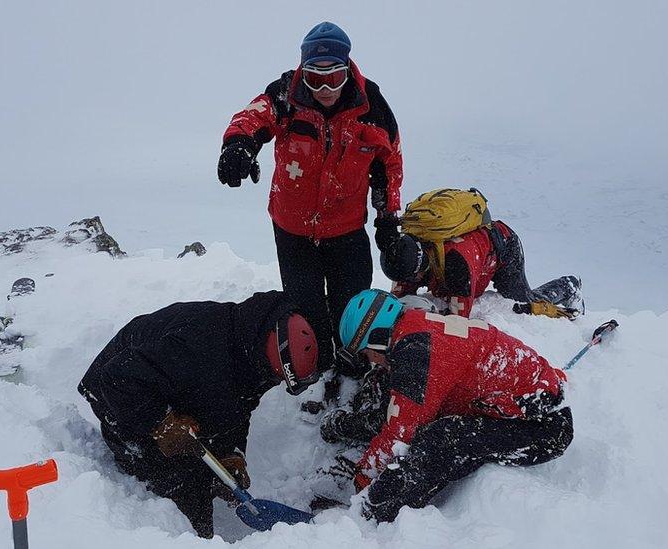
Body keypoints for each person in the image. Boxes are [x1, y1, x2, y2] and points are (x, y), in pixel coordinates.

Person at [218, 21, 403, 371]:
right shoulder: (287, 94)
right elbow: (252, 117)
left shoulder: (372, 107)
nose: (324, 89)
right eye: (314, 79)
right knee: (306, 310)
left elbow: (389, 165)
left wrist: (388, 221)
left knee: (351, 310)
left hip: (347, 230)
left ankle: (353, 369)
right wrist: (238, 145)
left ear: (347, 70)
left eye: (333, 78)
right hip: (293, 231)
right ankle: (314, 373)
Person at [77, 291, 318, 538]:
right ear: (272, 357)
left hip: (164, 380)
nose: (276, 382)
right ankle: (184, 536)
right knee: (179, 477)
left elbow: (237, 406)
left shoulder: (253, 352)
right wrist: (161, 424)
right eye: (278, 377)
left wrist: (230, 453)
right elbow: (116, 377)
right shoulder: (199, 347)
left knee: (200, 457)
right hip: (117, 392)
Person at [327, 289, 573, 522]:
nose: (370, 360)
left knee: (440, 439)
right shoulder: (413, 329)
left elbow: (401, 434)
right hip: (518, 404)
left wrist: (363, 478)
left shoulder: (416, 351)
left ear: (378, 338)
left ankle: (375, 513)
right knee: (424, 424)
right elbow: (397, 410)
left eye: (366, 353)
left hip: (545, 429)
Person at [381, 217, 583, 318]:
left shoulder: (456, 266)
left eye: (410, 279)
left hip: (503, 247)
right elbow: (397, 300)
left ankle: (568, 286)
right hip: (475, 248)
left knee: (523, 302)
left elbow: (457, 320)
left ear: (420, 268)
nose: (406, 283)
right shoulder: (405, 256)